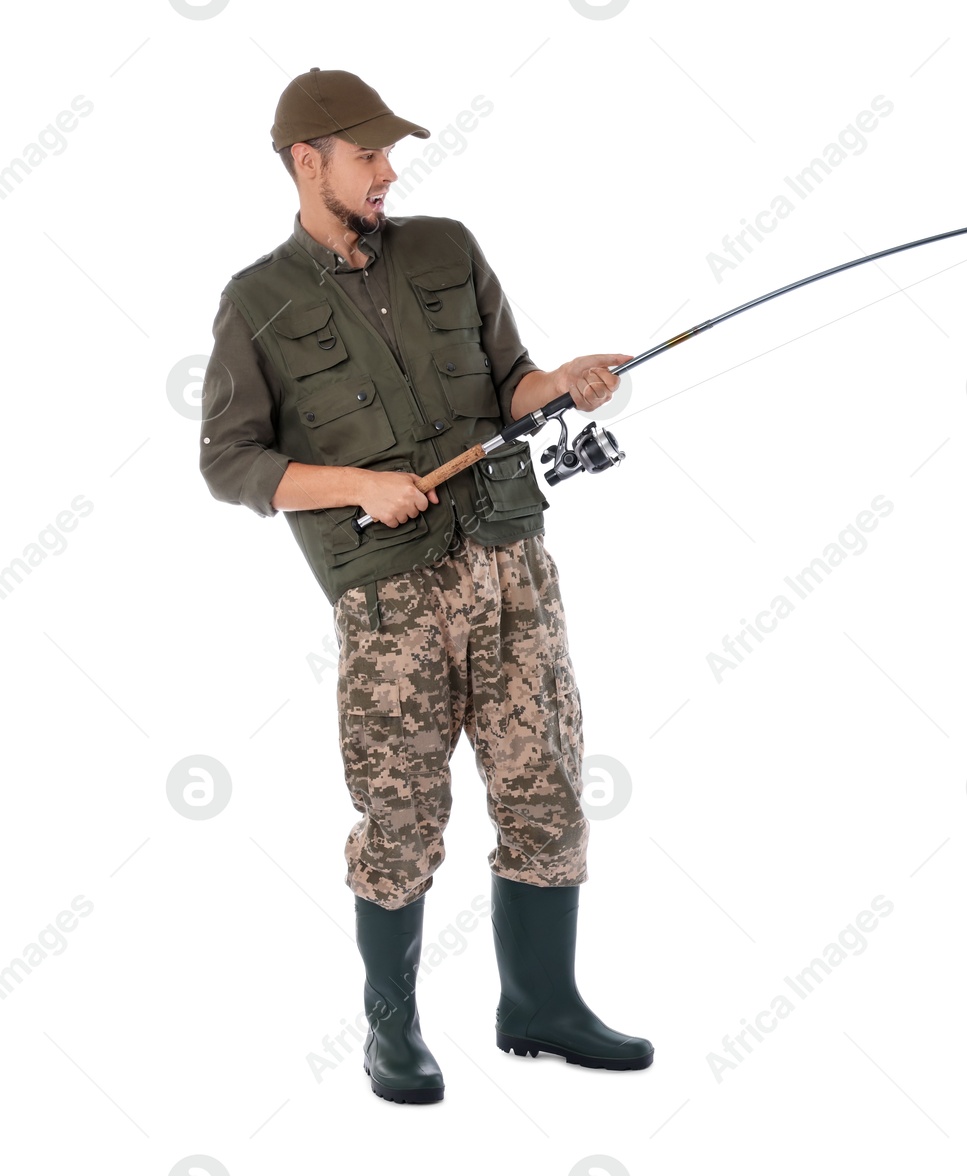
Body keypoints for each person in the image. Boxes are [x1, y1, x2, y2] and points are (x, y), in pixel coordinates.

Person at [197, 67, 652, 1104]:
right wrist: (357, 483)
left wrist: (565, 382)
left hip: (511, 558)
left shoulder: (446, 247)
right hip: (389, 595)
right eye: (368, 156)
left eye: (390, 155)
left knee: (546, 785)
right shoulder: (256, 302)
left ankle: (540, 1006)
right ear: (306, 161)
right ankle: (390, 1032)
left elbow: (514, 384)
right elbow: (229, 460)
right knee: (400, 815)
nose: (389, 173)